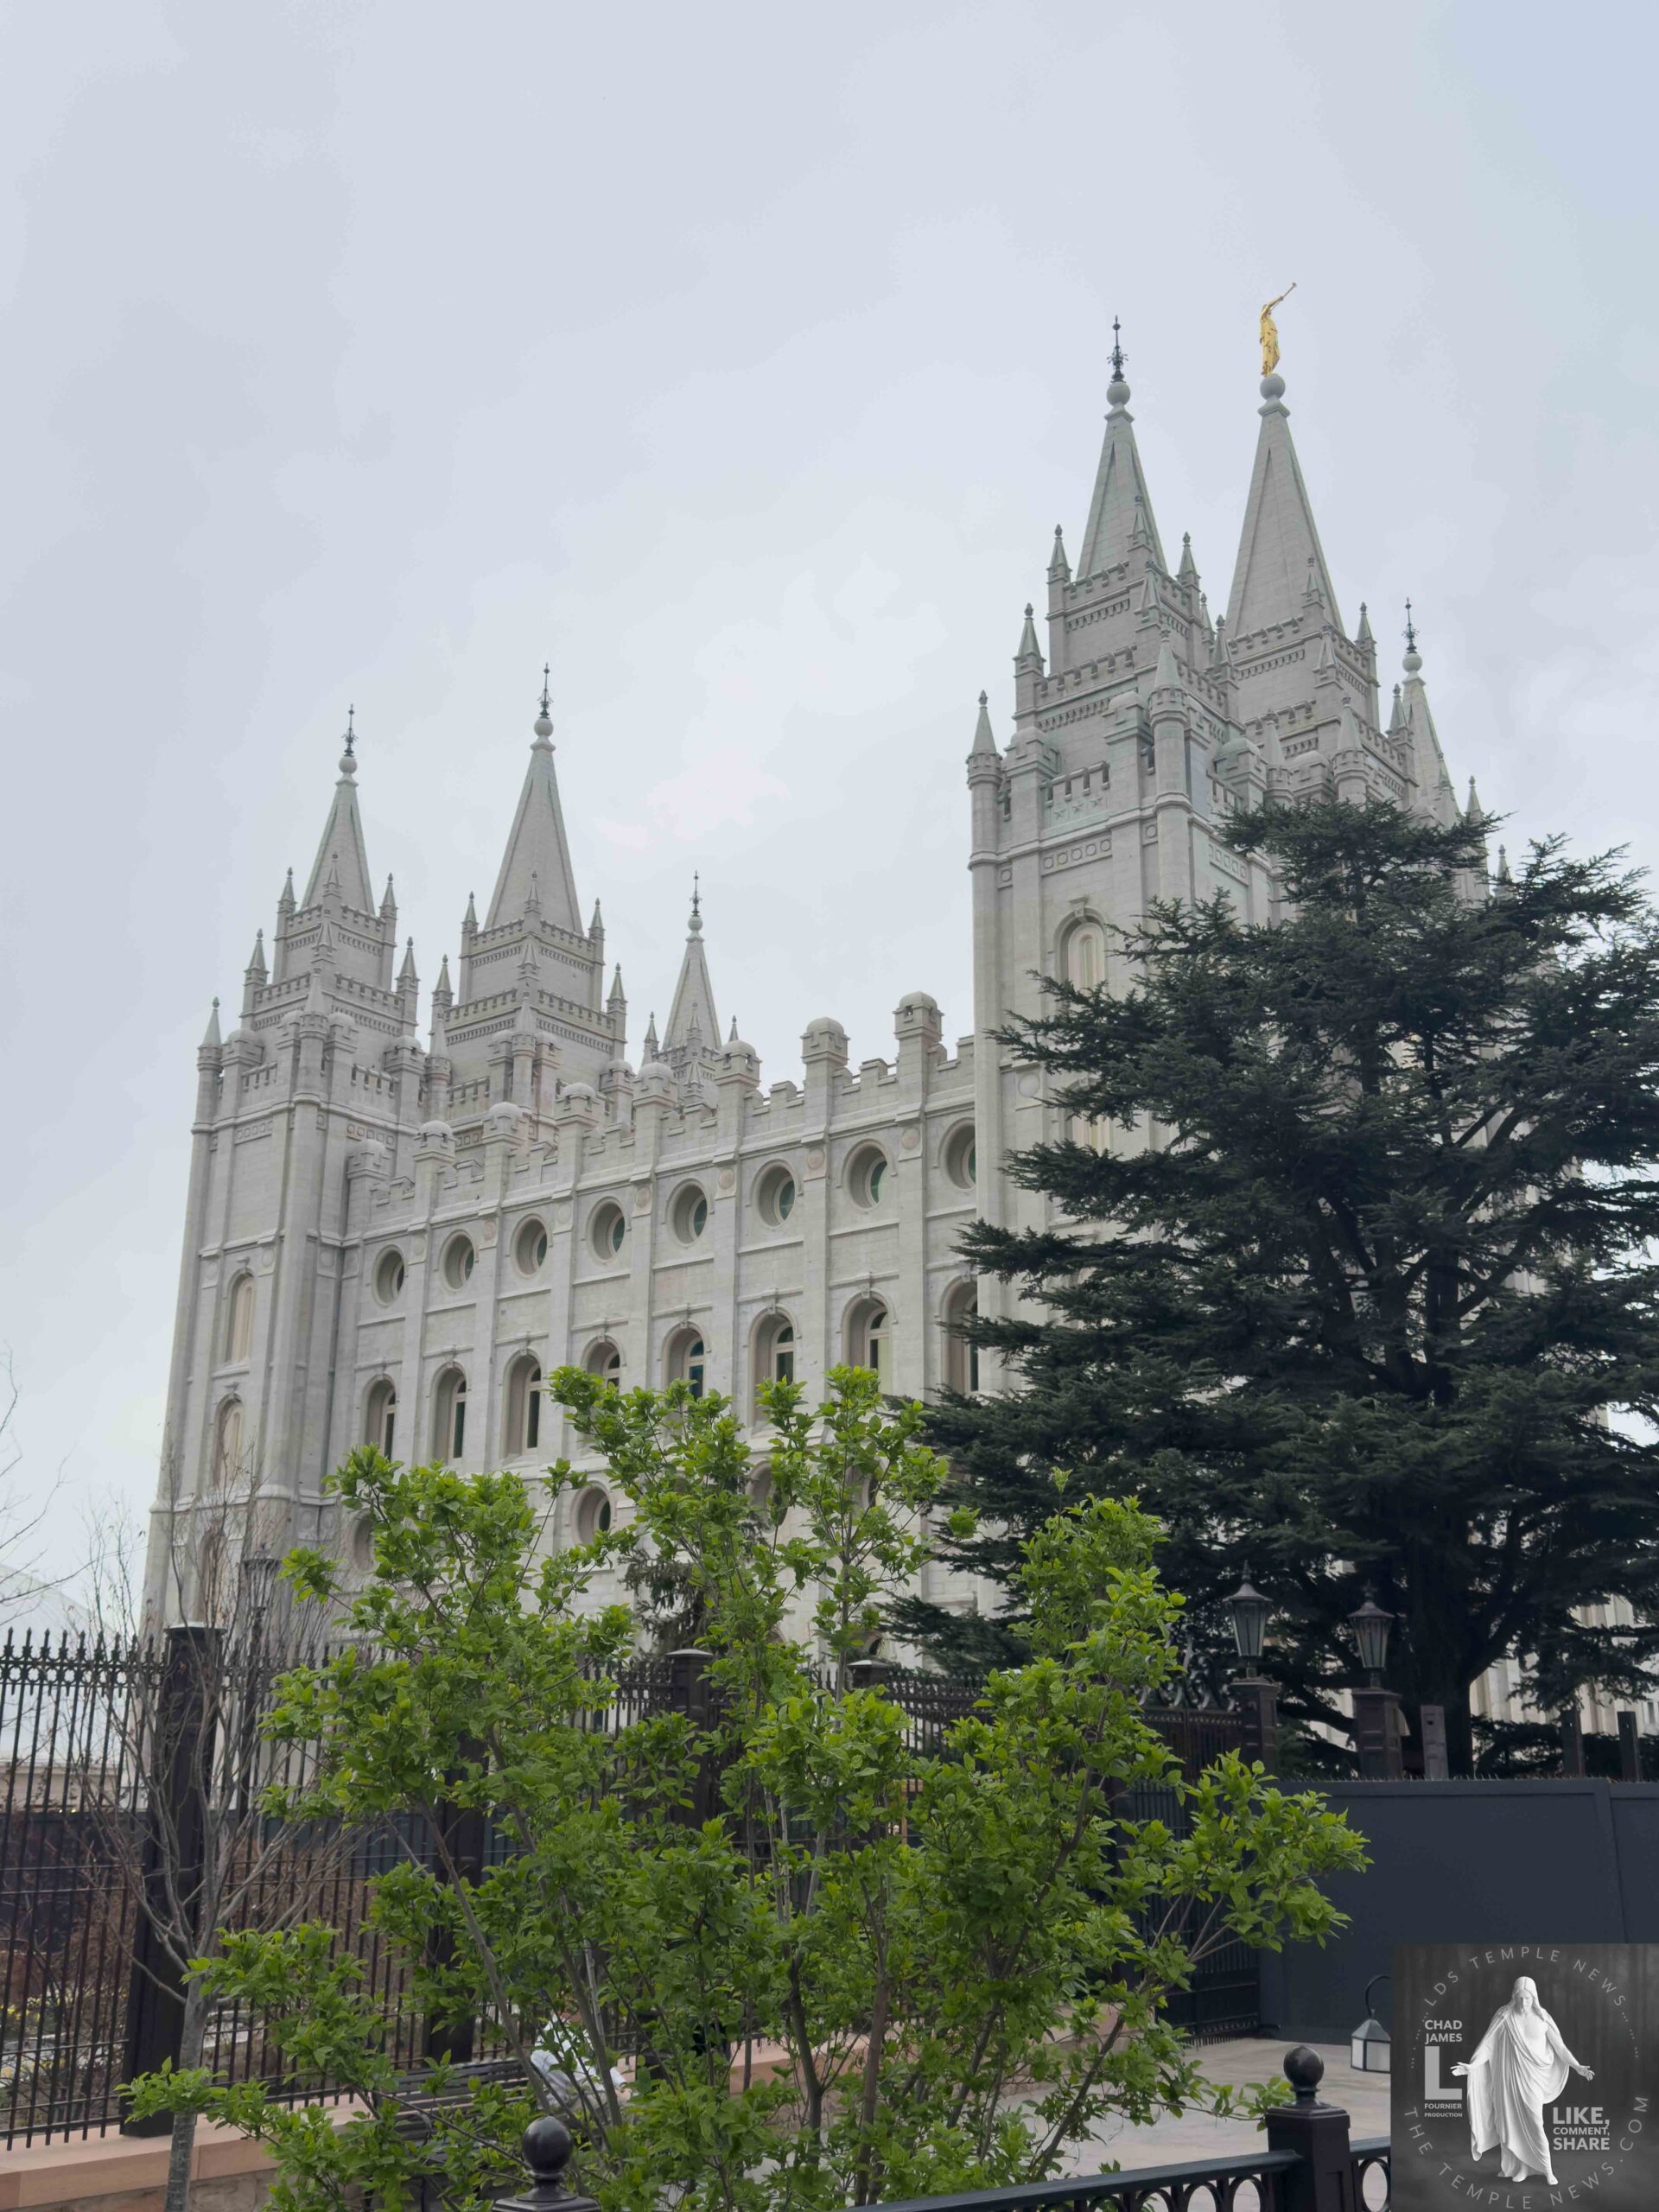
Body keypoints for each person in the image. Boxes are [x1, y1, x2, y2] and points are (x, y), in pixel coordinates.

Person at [1452, 1976, 1594, 2186]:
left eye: (1528, 1998)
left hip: (1533, 2080)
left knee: (1536, 2123)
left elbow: (1560, 2048)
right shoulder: (1504, 2016)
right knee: (1511, 2123)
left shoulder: (1543, 2018)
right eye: (1519, 1998)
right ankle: (1520, 2168)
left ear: (1534, 1998)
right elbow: (1487, 2046)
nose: (1523, 2003)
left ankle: (1547, 2169)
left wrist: (1577, 2066)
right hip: (1509, 2080)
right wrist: (1471, 2067)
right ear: (1514, 1996)